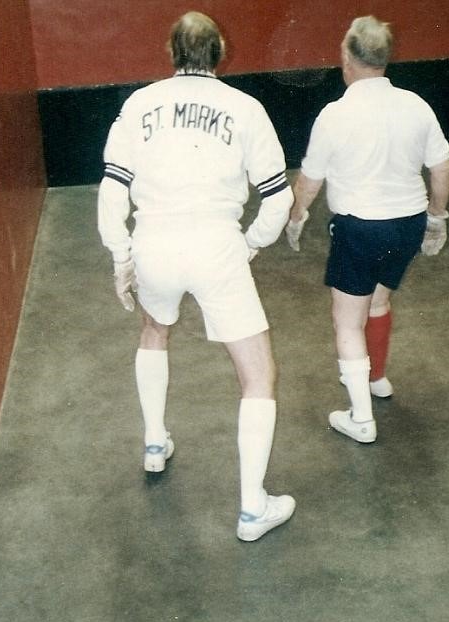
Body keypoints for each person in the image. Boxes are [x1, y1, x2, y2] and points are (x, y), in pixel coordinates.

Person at [96, 11, 300, 541]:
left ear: (171, 52)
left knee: (153, 329)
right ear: (220, 52)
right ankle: (253, 507)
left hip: (154, 245)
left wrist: (123, 256)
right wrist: (251, 244)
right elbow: (278, 196)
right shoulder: (247, 108)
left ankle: (155, 441)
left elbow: (113, 191)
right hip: (216, 246)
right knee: (258, 376)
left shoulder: (138, 103)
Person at [285, 15, 449, 444]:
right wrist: (436, 217)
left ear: (347, 57)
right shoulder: (416, 105)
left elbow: (309, 181)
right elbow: (442, 168)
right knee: (377, 301)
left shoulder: (335, 114)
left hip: (360, 229)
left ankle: (361, 419)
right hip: (408, 225)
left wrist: (297, 216)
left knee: (347, 322)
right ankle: (376, 378)